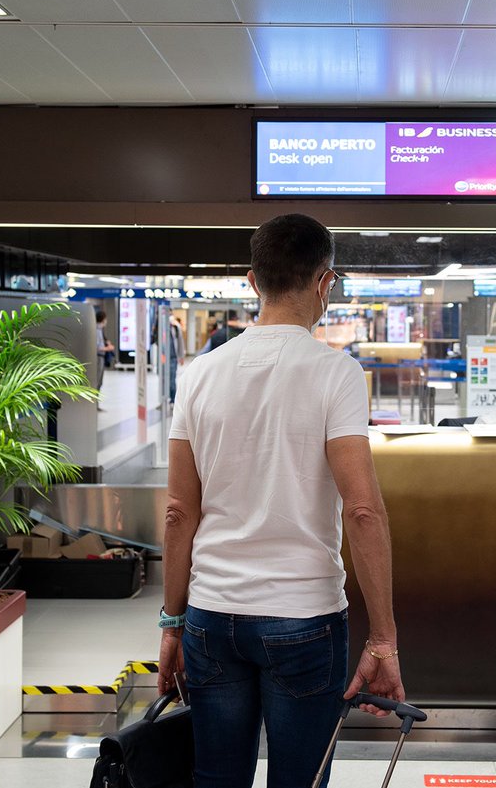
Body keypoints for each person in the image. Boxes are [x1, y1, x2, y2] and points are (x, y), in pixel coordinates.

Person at [158, 213, 403, 788]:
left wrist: (172, 622)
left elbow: (178, 511)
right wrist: (384, 638)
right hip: (304, 617)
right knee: (299, 779)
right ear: (325, 282)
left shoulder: (198, 375)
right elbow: (362, 509)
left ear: (252, 281)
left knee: (217, 778)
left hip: (212, 614)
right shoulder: (334, 374)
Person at [94, 308, 115, 389]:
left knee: (99, 380)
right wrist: (108, 348)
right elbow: (98, 347)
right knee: (98, 380)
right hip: (98, 357)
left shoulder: (99, 329)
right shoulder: (97, 330)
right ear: (103, 319)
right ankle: (95, 399)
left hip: (100, 357)